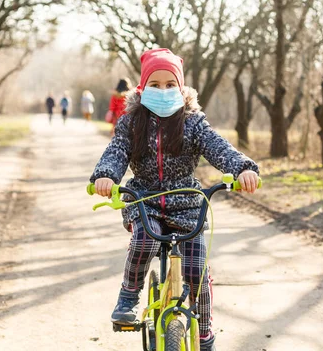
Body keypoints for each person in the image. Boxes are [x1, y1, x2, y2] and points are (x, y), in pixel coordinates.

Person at [89, 48, 260, 351]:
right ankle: (129, 295)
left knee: (197, 273)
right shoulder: (131, 123)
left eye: (171, 85)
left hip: (187, 204)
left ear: (181, 88)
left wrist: (243, 168)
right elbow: (116, 152)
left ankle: (205, 335)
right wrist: (106, 176)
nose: (164, 90)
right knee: (145, 241)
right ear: (142, 88)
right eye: (155, 84)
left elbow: (218, 147)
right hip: (144, 199)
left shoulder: (193, 122)